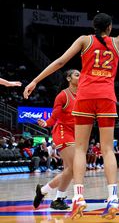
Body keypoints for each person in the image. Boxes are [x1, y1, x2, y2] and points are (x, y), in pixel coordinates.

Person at [23, 3, 119, 220]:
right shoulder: (118, 42)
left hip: (85, 96)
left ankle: (78, 198)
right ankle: (113, 198)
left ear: (94, 27)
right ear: (110, 28)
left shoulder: (84, 40)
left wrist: (35, 81)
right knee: (108, 150)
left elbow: (60, 61)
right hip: (106, 97)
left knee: (81, 150)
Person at [33, 69, 80, 210]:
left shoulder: (82, 94)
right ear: (68, 78)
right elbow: (54, 117)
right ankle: (56, 197)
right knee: (73, 168)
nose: (80, 77)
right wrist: (46, 123)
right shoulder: (62, 95)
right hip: (62, 131)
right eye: (77, 75)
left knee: (69, 170)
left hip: (76, 133)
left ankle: (45, 192)